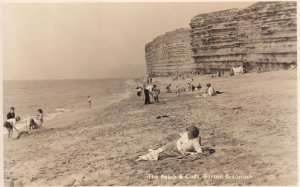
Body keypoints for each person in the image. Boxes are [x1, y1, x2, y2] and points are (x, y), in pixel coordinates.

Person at [135, 125, 203, 161]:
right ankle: (147, 155)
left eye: (189, 134)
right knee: (161, 149)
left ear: (193, 134)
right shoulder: (193, 138)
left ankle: (144, 157)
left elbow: (199, 152)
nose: (188, 135)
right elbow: (181, 140)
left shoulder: (195, 142)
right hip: (175, 144)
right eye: (188, 134)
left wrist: (190, 153)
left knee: (162, 154)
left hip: (178, 150)